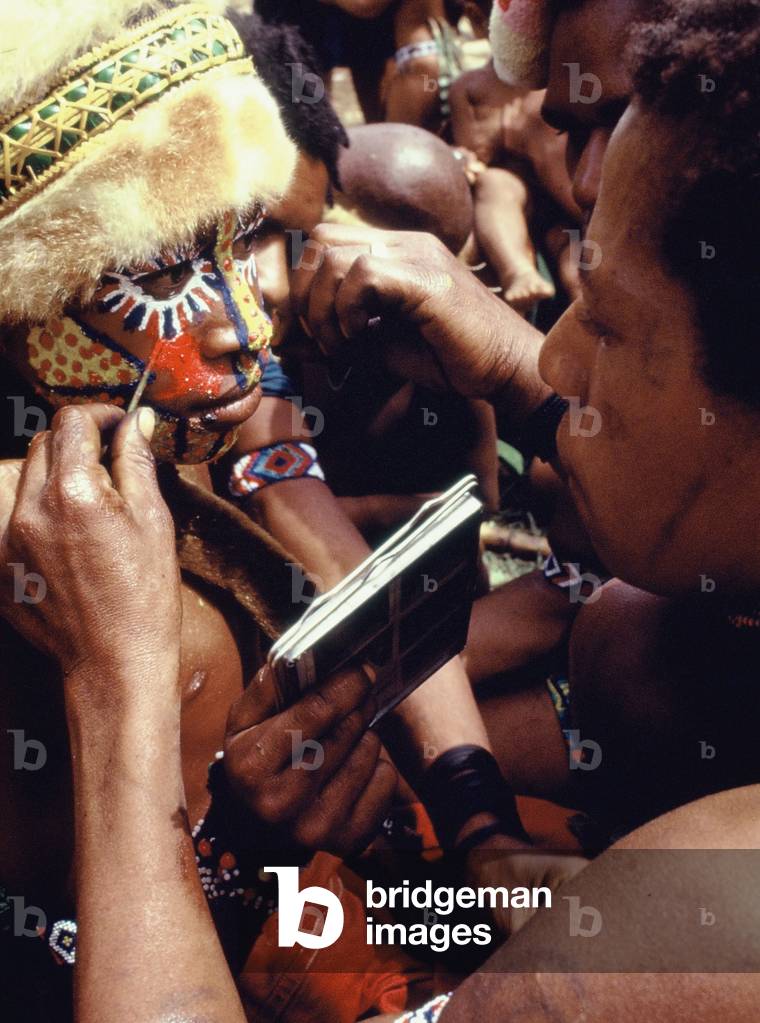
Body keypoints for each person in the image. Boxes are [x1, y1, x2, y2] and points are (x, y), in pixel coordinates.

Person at [295, 1, 760, 1017]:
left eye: (614, 326)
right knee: (628, 643)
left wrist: (115, 719)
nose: (551, 353)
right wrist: (486, 839)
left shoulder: (719, 906)